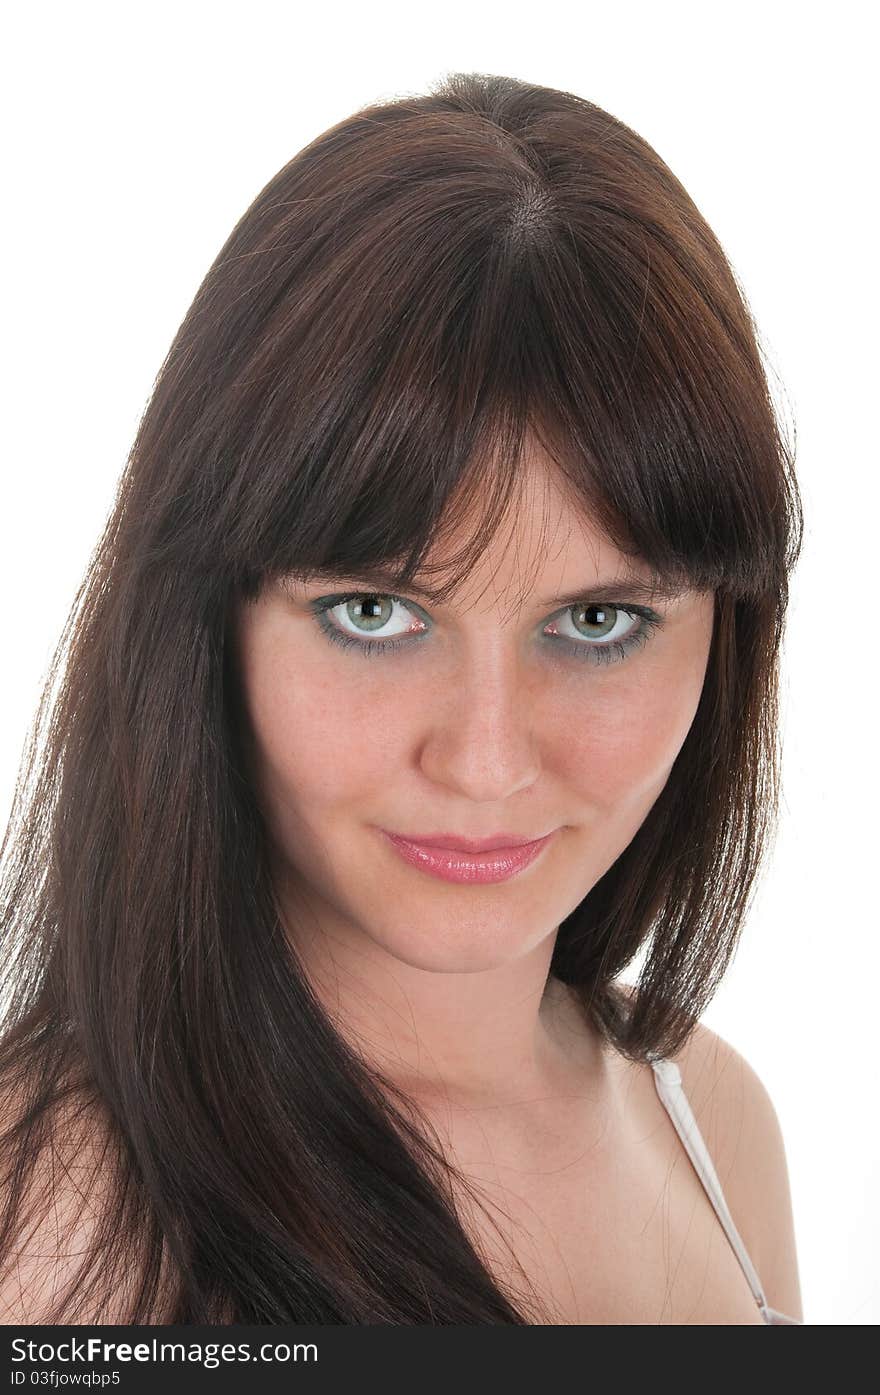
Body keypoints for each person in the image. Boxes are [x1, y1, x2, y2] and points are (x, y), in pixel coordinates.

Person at [0, 71, 804, 1325]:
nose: (486, 762)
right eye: (375, 613)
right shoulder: (47, 1219)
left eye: (598, 623)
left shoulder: (706, 1117)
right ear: (206, 622)